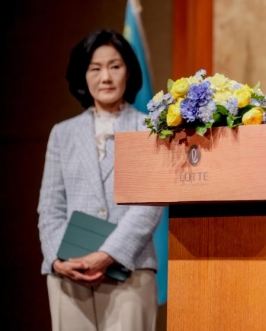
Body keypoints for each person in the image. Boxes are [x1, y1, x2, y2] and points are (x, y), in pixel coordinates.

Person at [37, 29, 163, 331]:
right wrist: (57, 258)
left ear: (129, 72)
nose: (105, 77)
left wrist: (107, 255)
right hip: (69, 274)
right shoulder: (62, 133)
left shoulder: (149, 129)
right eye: (95, 68)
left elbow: (150, 204)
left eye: (114, 66)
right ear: (83, 75)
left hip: (128, 270)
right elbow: (50, 207)